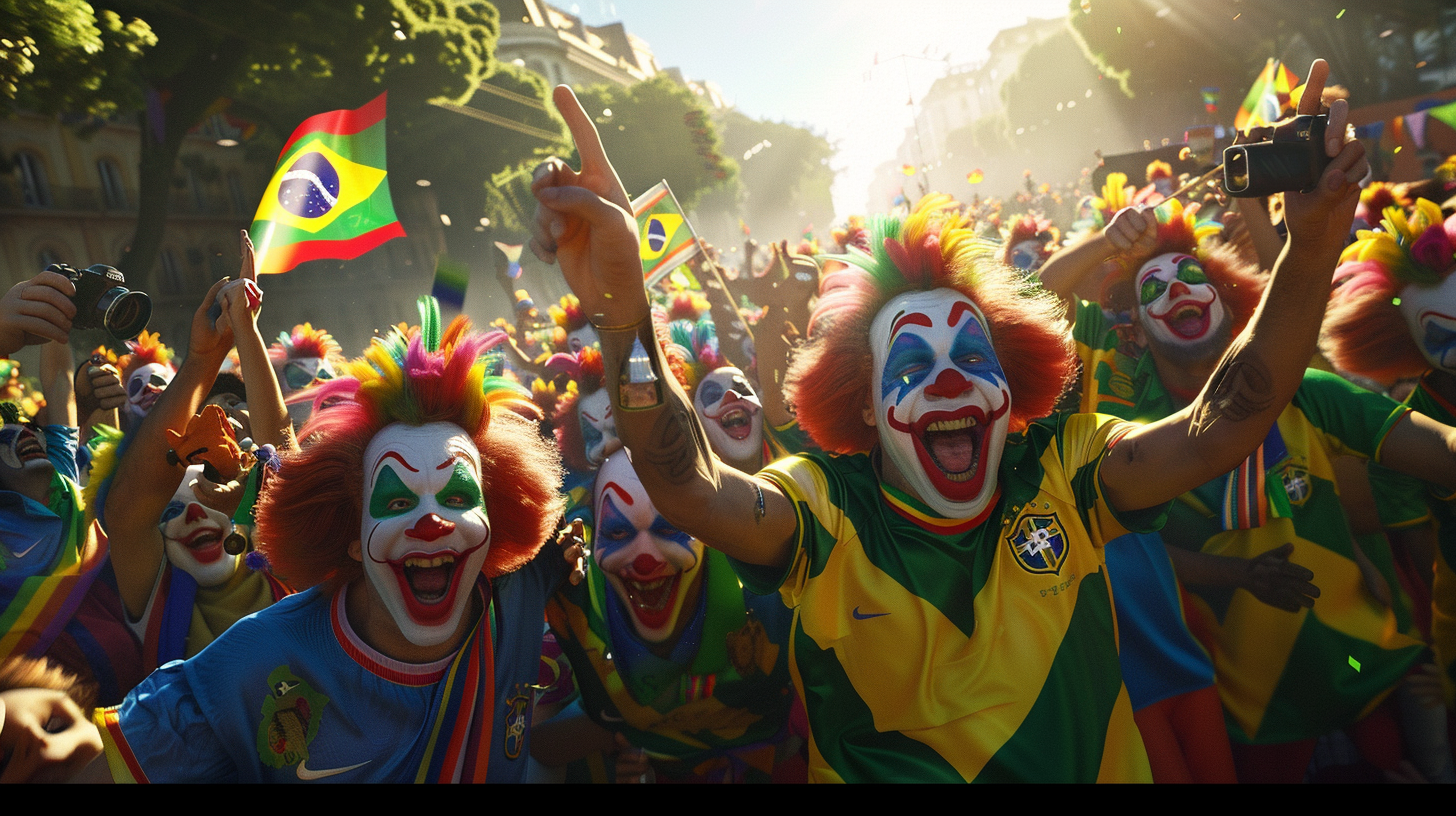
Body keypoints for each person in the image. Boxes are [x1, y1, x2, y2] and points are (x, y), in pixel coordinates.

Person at [527, 59, 1382, 781]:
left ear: (1010, 387)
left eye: (973, 360)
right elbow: (686, 483)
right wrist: (620, 315)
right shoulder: (822, 511)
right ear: (864, 402)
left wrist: (1309, 251)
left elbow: (1226, 422)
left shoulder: (1068, 472)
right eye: (911, 365)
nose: (947, 383)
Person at [1039, 189, 1452, 782]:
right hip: (1247, 713)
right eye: (1154, 287)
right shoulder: (1136, 438)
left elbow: (1434, 446)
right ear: (1135, 331)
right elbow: (1038, 299)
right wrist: (1109, 241)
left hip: (1370, 672)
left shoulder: (1304, 390)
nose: (1178, 290)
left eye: (1192, 278)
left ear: (1232, 305)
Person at [88, 314, 571, 782]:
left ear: (494, 516)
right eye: (397, 499)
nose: (431, 521)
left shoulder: (523, 588)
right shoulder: (253, 661)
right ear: (353, 537)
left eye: (459, 496)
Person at [535, 452, 800, 783]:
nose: (646, 558)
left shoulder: (770, 596)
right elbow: (536, 744)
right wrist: (623, 741)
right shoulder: (578, 604)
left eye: (669, 528)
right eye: (617, 532)